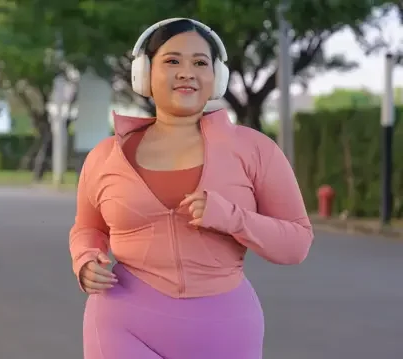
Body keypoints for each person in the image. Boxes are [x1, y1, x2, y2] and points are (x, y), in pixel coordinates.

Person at [68, 17, 314, 359]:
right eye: (172, 61)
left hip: (225, 326)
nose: (187, 72)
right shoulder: (105, 156)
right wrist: (85, 259)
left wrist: (233, 219)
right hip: (122, 321)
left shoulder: (254, 149)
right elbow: (88, 227)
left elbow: (296, 243)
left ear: (216, 77)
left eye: (200, 62)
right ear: (144, 74)